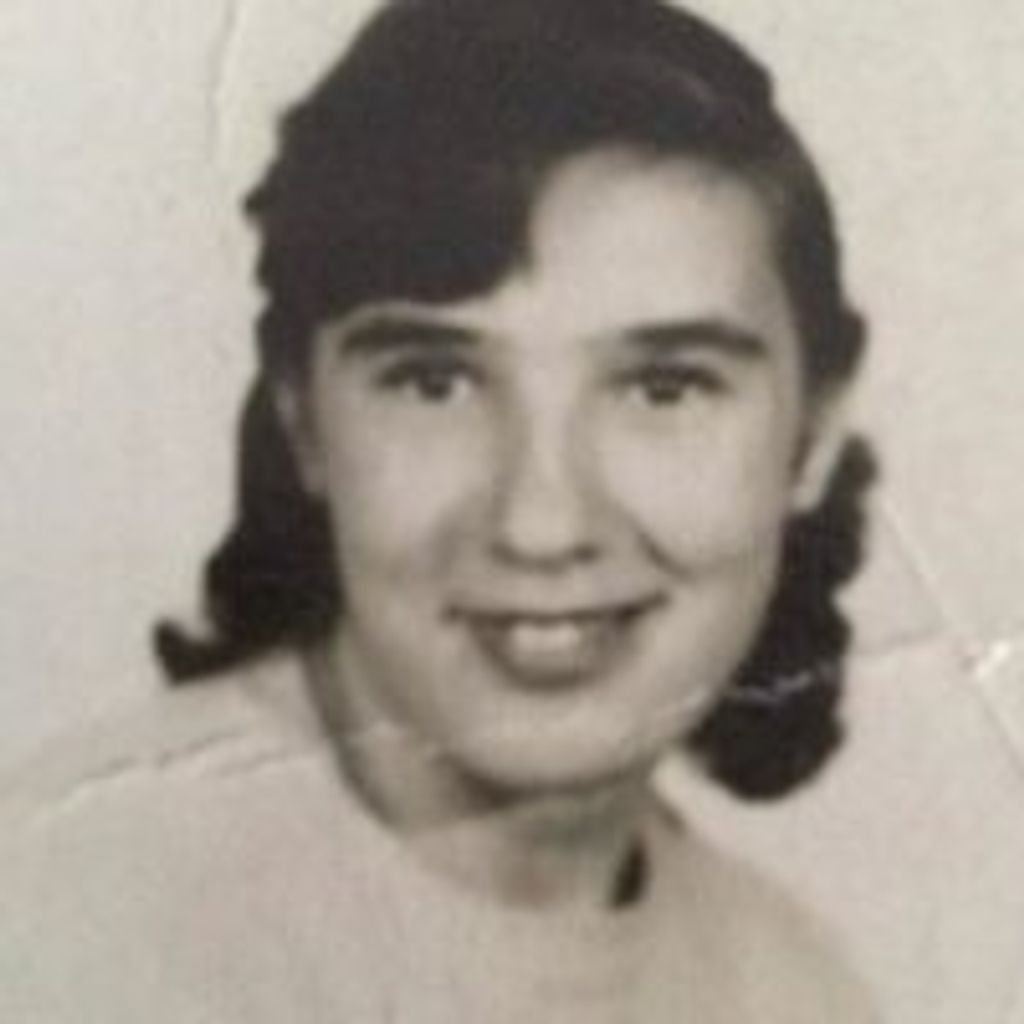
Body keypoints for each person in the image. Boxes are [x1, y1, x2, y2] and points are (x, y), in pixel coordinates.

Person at [0, 0, 879, 1019]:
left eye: (664, 386)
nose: (542, 524)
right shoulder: (61, 911)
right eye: (433, 382)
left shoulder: (797, 991)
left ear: (812, 436)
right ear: (304, 421)